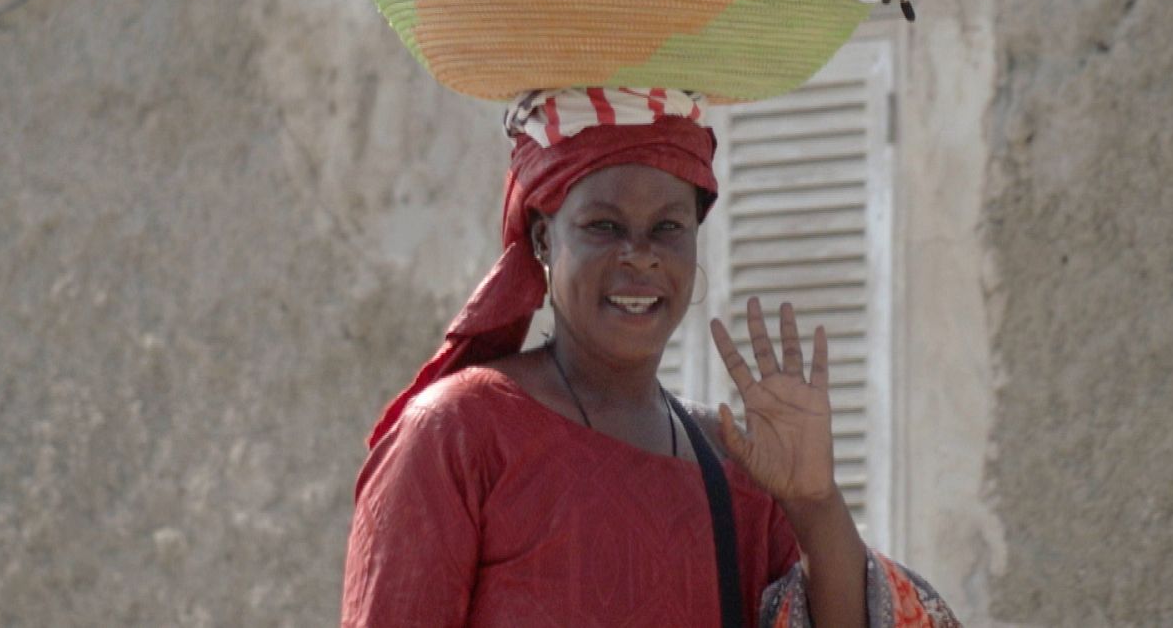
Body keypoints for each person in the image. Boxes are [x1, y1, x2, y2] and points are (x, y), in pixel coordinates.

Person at [343, 88, 958, 627]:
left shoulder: (735, 465)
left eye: (668, 228)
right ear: (541, 240)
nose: (641, 256)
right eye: (604, 227)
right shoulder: (459, 434)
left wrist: (815, 504)